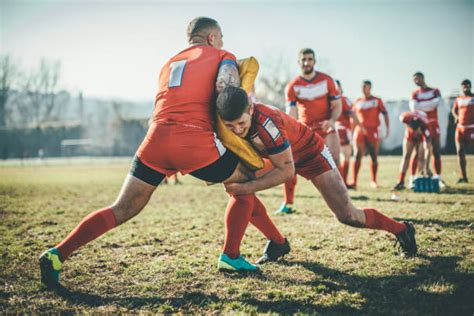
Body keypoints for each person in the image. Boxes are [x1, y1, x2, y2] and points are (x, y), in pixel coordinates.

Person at [39, 17, 288, 289]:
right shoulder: (221, 54)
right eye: (222, 38)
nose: (223, 43)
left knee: (121, 208)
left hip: (155, 139)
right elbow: (224, 93)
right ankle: (231, 256)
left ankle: (57, 254)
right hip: (194, 140)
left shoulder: (168, 64)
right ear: (212, 38)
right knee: (242, 184)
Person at [217, 86, 417, 257]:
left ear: (251, 109)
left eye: (241, 123)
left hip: (311, 155)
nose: (237, 130)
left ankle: (402, 229)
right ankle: (277, 243)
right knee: (240, 185)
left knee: (348, 216)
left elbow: (286, 171)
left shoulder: (267, 123)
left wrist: (247, 186)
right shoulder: (229, 119)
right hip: (285, 157)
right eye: (230, 126)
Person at [277, 48, 342, 214]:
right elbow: (291, 113)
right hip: (305, 130)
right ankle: (288, 203)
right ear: (299, 62)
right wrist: (290, 130)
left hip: (326, 128)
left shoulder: (327, 80)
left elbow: (337, 106)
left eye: (310, 59)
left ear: (314, 61)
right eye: (303, 60)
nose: (307, 62)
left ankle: (341, 200)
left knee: (334, 162)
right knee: (290, 164)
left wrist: (332, 121)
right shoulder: (292, 86)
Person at [349, 80, 389, 189]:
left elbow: (385, 114)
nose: (363, 89)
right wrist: (351, 130)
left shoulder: (377, 100)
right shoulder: (357, 101)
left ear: (370, 88)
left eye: (365, 86)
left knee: (374, 156)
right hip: (360, 130)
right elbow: (353, 117)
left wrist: (387, 128)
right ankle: (354, 181)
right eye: (362, 87)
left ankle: (374, 181)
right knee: (357, 155)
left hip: (373, 130)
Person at [409, 72, 443, 184]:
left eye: (418, 79)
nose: (416, 81)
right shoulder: (415, 93)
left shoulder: (434, 91)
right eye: (414, 80)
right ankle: (413, 178)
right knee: (417, 152)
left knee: (436, 150)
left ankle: (437, 177)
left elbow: (438, 103)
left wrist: (422, 105)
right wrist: (429, 104)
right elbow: (414, 108)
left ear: (422, 78)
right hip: (420, 125)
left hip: (433, 124)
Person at [393, 111, 431, 190]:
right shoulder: (406, 118)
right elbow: (402, 117)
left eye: (416, 130)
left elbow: (428, 149)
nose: (415, 132)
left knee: (420, 156)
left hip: (421, 138)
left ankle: (421, 177)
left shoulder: (426, 127)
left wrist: (426, 166)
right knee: (406, 155)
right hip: (409, 136)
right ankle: (401, 181)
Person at [335, 80, 363, 186]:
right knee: (345, 156)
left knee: (334, 158)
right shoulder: (343, 99)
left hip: (331, 131)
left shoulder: (326, 100)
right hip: (342, 130)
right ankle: (343, 182)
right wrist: (359, 127)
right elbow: (353, 114)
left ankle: (337, 183)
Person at [452, 79, 474, 183]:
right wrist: (456, 116)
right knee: (460, 151)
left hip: (472, 128)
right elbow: (454, 110)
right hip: (460, 128)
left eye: (467, 86)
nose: (465, 88)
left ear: (470, 86)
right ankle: (463, 177)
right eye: (463, 86)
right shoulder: (459, 98)